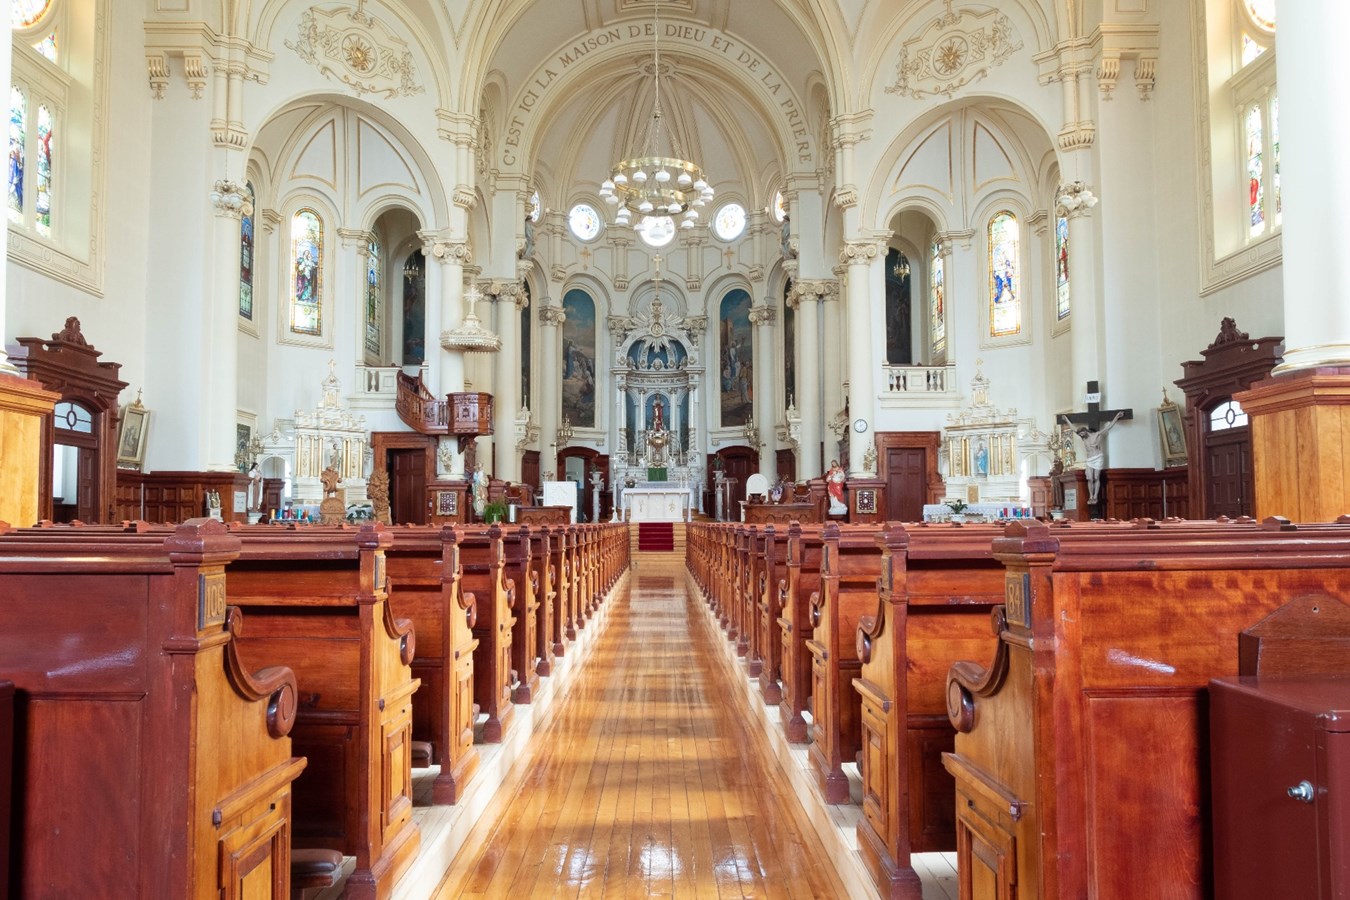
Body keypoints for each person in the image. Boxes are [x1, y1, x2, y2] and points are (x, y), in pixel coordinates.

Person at [1061, 411, 1125, 506]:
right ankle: (1091, 496)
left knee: (1096, 477)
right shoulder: (1084, 438)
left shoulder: (1096, 435)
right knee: (1090, 478)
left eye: (1082, 434)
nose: (1081, 436)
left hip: (1098, 458)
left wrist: (1116, 417)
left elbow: (1108, 427)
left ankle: (1095, 496)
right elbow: (1074, 429)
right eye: (1080, 435)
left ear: (1085, 431)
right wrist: (1066, 419)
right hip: (1090, 460)